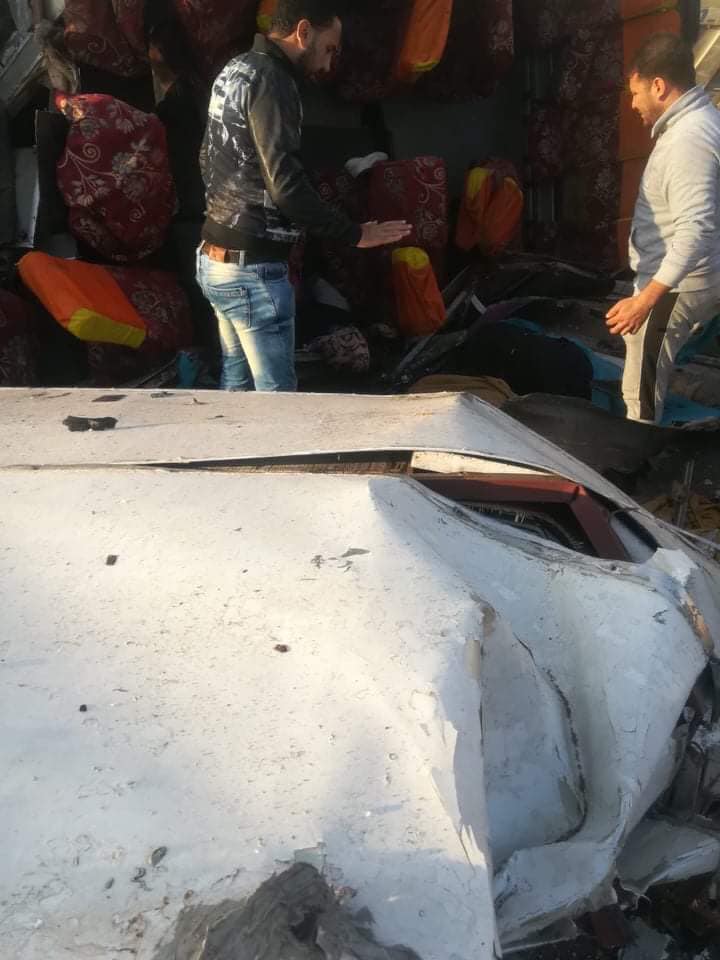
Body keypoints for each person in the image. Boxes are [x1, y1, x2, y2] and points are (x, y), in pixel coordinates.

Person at [196, 0, 411, 391]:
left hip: (215, 261)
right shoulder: (274, 81)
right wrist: (355, 233)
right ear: (304, 31)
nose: (329, 64)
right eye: (329, 49)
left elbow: (208, 158)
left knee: (235, 390)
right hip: (253, 271)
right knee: (279, 401)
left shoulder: (236, 69)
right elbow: (287, 187)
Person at [606, 33, 720, 424]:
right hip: (693, 274)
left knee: (641, 390)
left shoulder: (688, 140)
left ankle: (639, 450)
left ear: (658, 86)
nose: (633, 104)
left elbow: (695, 229)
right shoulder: (702, 122)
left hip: (676, 285)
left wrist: (645, 301)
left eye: (635, 94)